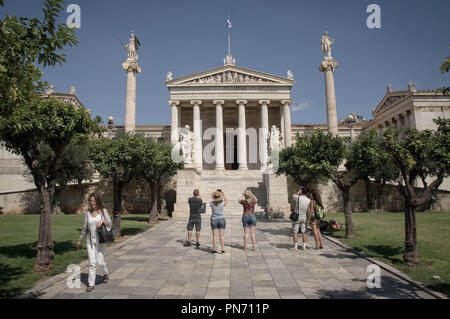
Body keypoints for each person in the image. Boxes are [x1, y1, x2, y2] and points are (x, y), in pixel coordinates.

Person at [76, 193, 112, 292]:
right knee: (92, 263)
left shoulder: (103, 212)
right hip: (90, 241)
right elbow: (85, 227)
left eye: (94, 201)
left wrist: (102, 222)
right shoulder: (88, 213)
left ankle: (105, 273)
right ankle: (91, 284)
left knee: (100, 261)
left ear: (97, 201)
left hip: (101, 241)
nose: (92, 203)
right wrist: (80, 239)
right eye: (91, 201)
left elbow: (109, 223)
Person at [210, 190, 227, 254]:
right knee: (222, 235)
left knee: (215, 236)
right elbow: (226, 201)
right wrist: (223, 194)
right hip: (221, 219)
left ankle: (214, 249)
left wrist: (216, 194)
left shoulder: (211, 203)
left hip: (214, 219)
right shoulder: (222, 203)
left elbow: (213, 198)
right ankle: (222, 249)